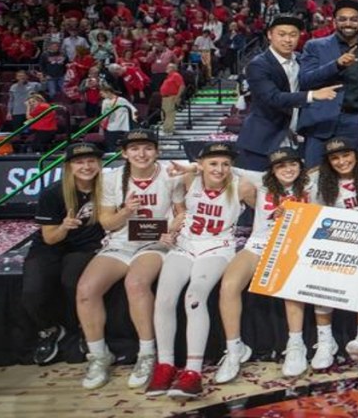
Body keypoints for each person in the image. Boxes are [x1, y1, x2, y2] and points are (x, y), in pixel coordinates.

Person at [76, 130, 184, 389]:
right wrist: (126, 211)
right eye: (134, 149)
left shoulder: (170, 175)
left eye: (147, 148)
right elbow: (107, 221)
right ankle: (99, 355)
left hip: (154, 242)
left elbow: (181, 213)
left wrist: (172, 231)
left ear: (156, 151)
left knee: (136, 283)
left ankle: (147, 353)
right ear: (124, 153)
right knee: (85, 290)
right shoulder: (112, 178)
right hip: (121, 242)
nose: (141, 154)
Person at [285, 138, 358, 370]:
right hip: (336, 242)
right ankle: (326, 342)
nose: (342, 161)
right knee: (322, 279)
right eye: (335, 158)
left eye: (346, 155)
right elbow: (315, 215)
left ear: (356, 155)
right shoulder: (320, 181)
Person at [145, 142, 243, 399]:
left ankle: (193, 371)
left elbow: (265, 181)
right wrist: (169, 226)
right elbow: (171, 210)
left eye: (225, 163)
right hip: (185, 245)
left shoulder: (240, 184)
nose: (220, 169)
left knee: (194, 298)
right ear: (202, 164)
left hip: (217, 248)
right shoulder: (188, 180)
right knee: (164, 299)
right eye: (213, 163)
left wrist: (193, 165)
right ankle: (164, 365)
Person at [214, 148, 313, 383]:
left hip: (294, 244)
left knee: (288, 285)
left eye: (292, 164)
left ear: (300, 165)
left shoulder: (311, 184)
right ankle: (234, 347)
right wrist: (192, 167)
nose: (287, 170)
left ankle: (296, 344)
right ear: (272, 170)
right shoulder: (262, 182)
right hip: (260, 243)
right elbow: (230, 167)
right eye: (280, 166)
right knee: (229, 285)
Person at [24, 143, 106, 366]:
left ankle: (84, 328)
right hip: (51, 245)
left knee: (73, 282)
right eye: (79, 162)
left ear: (99, 164)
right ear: (69, 167)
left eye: (91, 161)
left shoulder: (108, 188)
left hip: (86, 247)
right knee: (33, 290)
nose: (86, 166)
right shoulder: (53, 193)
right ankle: (50, 330)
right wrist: (64, 226)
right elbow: (50, 238)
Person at [235, 14, 338, 171]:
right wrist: (312, 95)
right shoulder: (258, 65)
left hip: (294, 139)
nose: (288, 40)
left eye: (293, 35)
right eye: (282, 34)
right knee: (256, 190)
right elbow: (272, 97)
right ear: (270, 35)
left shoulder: (300, 59)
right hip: (262, 141)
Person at [299, 0, 358, 167]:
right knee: (314, 176)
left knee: (353, 178)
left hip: (357, 123)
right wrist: (336, 65)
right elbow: (305, 80)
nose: (348, 23)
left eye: (354, 19)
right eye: (342, 19)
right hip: (321, 120)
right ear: (335, 22)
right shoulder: (314, 46)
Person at [99, 84, 137, 152]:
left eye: (102, 93)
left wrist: (134, 118)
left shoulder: (121, 100)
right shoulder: (104, 102)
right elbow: (103, 114)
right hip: (110, 125)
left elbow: (133, 110)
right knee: (110, 144)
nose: (101, 95)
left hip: (122, 125)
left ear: (108, 92)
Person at [159, 63, 184, 135]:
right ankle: (166, 128)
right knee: (164, 113)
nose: (166, 68)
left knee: (169, 113)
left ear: (173, 68)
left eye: (168, 67)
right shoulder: (168, 76)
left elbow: (181, 86)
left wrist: (177, 97)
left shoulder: (176, 75)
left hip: (171, 97)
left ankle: (168, 130)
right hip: (165, 97)